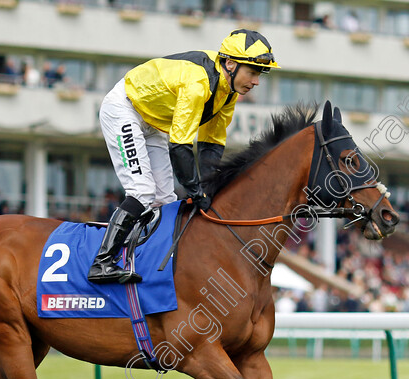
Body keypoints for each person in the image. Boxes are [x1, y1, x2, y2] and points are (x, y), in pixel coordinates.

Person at [88, 29, 279, 284]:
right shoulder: (198, 84)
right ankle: (102, 262)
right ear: (230, 64)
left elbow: (211, 145)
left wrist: (210, 189)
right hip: (124, 109)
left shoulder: (229, 92)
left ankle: (149, 260)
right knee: (143, 192)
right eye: (252, 72)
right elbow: (180, 146)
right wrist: (196, 191)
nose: (256, 81)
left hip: (153, 122)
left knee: (165, 200)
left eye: (259, 74)